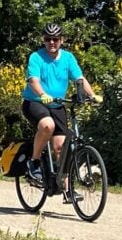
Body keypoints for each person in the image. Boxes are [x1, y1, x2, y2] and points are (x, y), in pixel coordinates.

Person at [21, 23, 102, 203]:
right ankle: (34, 162)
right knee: (47, 125)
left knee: (61, 146)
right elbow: (33, 80)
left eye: (55, 39)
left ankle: (67, 190)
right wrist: (43, 94)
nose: (51, 42)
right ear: (43, 40)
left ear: (61, 40)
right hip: (35, 102)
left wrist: (92, 95)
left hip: (57, 104)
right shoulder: (36, 57)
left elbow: (79, 78)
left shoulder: (68, 58)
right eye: (48, 39)